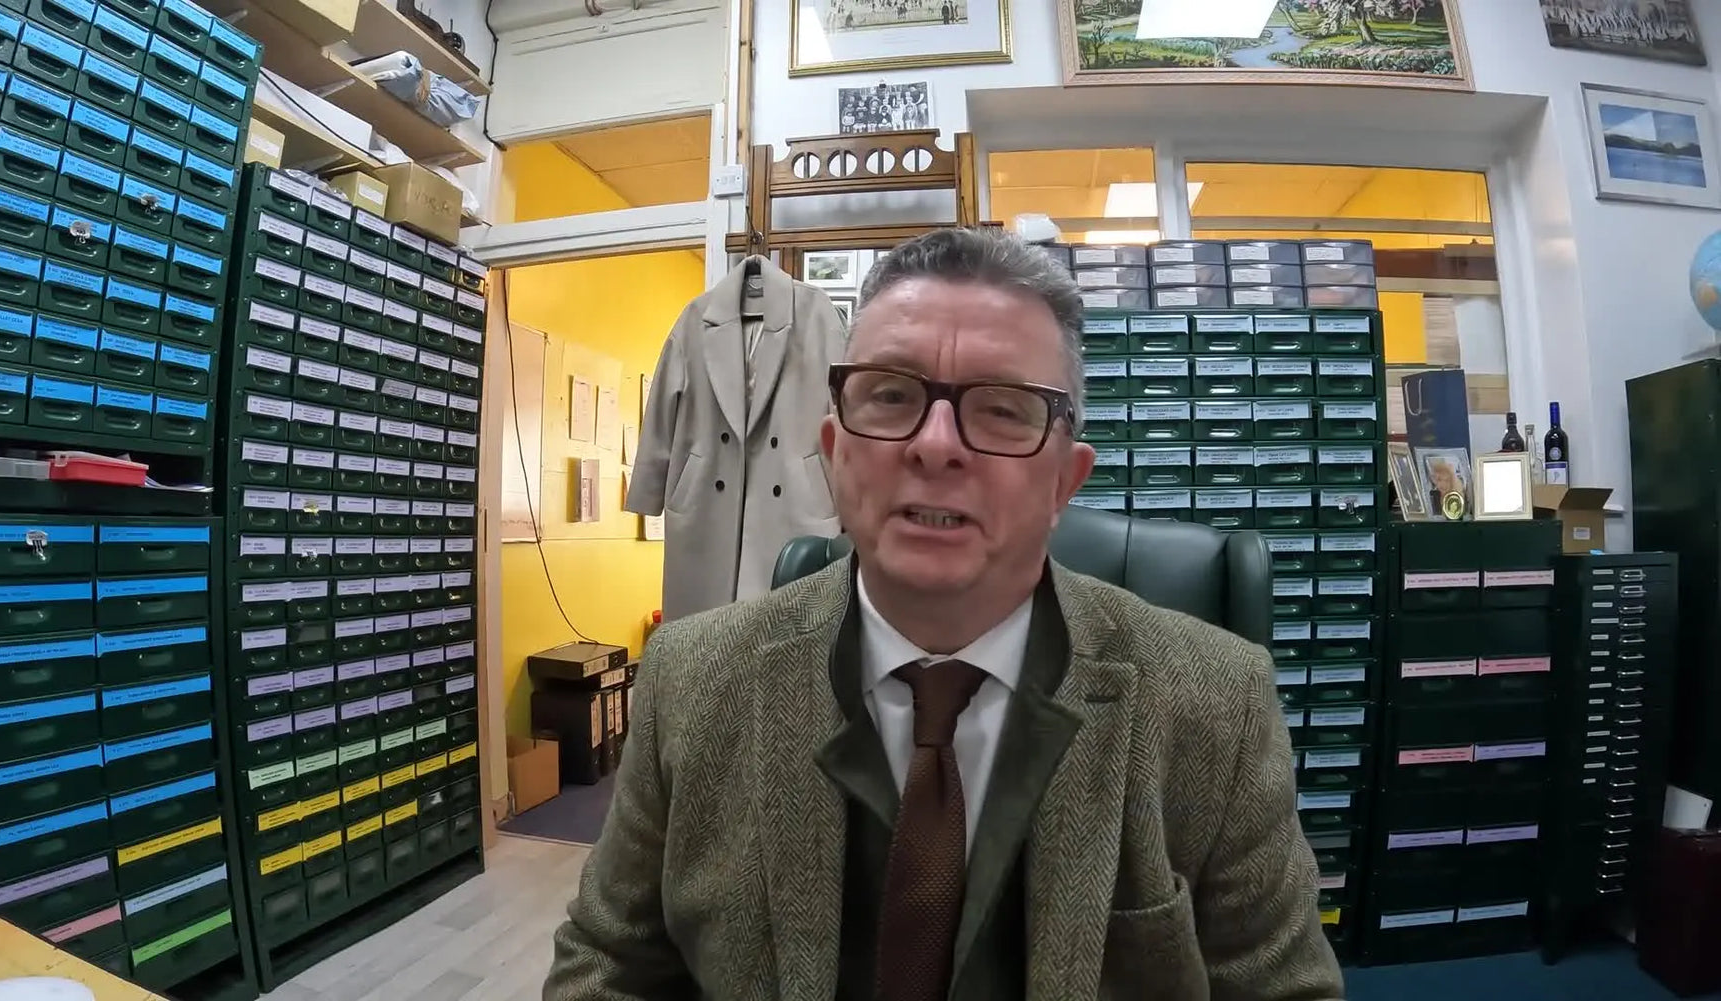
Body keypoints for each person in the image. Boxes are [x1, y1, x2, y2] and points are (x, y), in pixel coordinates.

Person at [542, 227, 1344, 1001]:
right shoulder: (689, 679)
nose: (935, 444)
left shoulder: (1219, 706)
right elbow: (608, 960)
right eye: (890, 395)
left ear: (1066, 480)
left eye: (1002, 408)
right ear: (835, 452)